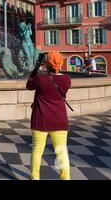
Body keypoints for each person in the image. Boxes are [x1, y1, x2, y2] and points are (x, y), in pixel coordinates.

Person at [26, 51, 72, 180]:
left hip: (41, 120)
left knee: (37, 150)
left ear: (47, 64)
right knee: (62, 151)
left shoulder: (41, 79)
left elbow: (29, 85)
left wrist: (36, 69)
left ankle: (35, 177)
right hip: (59, 120)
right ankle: (65, 178)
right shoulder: (67, 80)